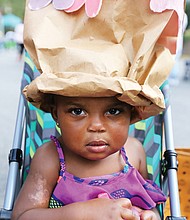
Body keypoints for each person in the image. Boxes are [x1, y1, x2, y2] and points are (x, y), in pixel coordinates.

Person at [11, 0, 184, 219]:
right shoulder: (51, 158)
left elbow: (146, 203)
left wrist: (147, 215)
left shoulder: (134, 153)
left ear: (132, 113)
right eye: (77, 111)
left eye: (113, 112)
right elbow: (23, 215)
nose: (96, 126)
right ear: (55, 113)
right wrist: (80, 213)